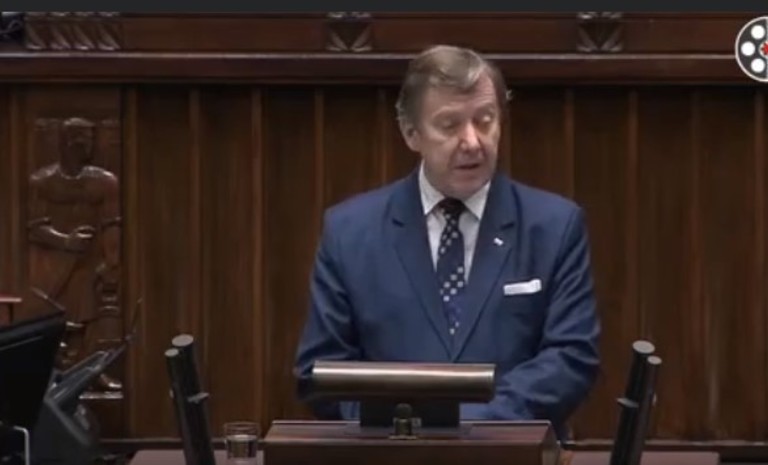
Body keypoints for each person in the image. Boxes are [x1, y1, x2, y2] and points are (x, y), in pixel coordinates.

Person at [293, 45, 600, 437]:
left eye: (485, 121)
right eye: (450, 125)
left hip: (511, 451)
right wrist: (401, 426)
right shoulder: (349, 231)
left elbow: (571, 359)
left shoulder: (555, 226)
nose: (472, 141)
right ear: (411, 133)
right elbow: (319, 370)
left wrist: (468, 426)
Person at [28, 116, 122, 392]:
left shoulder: (105, 182)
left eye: (90, 140)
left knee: (89, 317)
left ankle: (91, 372)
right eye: (81, 140)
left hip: (88, 262)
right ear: (66, 143)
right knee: (54, 319)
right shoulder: (42, 182)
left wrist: (111, 261)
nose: (87, 146)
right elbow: (34, 228)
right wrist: (66, 240)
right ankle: (52, 377)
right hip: (50, 264)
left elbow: (112, 224)